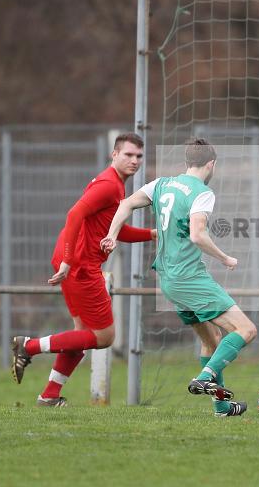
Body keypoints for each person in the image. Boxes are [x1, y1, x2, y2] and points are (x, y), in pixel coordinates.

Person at [101, 137, 256, 417]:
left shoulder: (161, 184)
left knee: (212, 340)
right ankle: (206, 375)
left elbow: (124, 205)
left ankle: (221, 406)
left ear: (187, 162)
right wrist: (224, 258)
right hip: (190, 278)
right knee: (246, 330)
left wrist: (111, 236)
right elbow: (198, 234)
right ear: (211, 164)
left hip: (169, 281)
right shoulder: (202, 192)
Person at [10, 132, 156, 407]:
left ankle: (49, 396)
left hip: (75, 262)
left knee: (82, 335)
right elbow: (74, 214)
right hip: (80, 265)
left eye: (138, 156)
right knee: (104, 337)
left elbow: (114, 230)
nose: (134, 160)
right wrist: (68, 260)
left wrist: (151, 234)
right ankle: (27, 346)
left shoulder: (115, 185)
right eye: (128, 154)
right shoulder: (110, 186)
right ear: (114, 155)